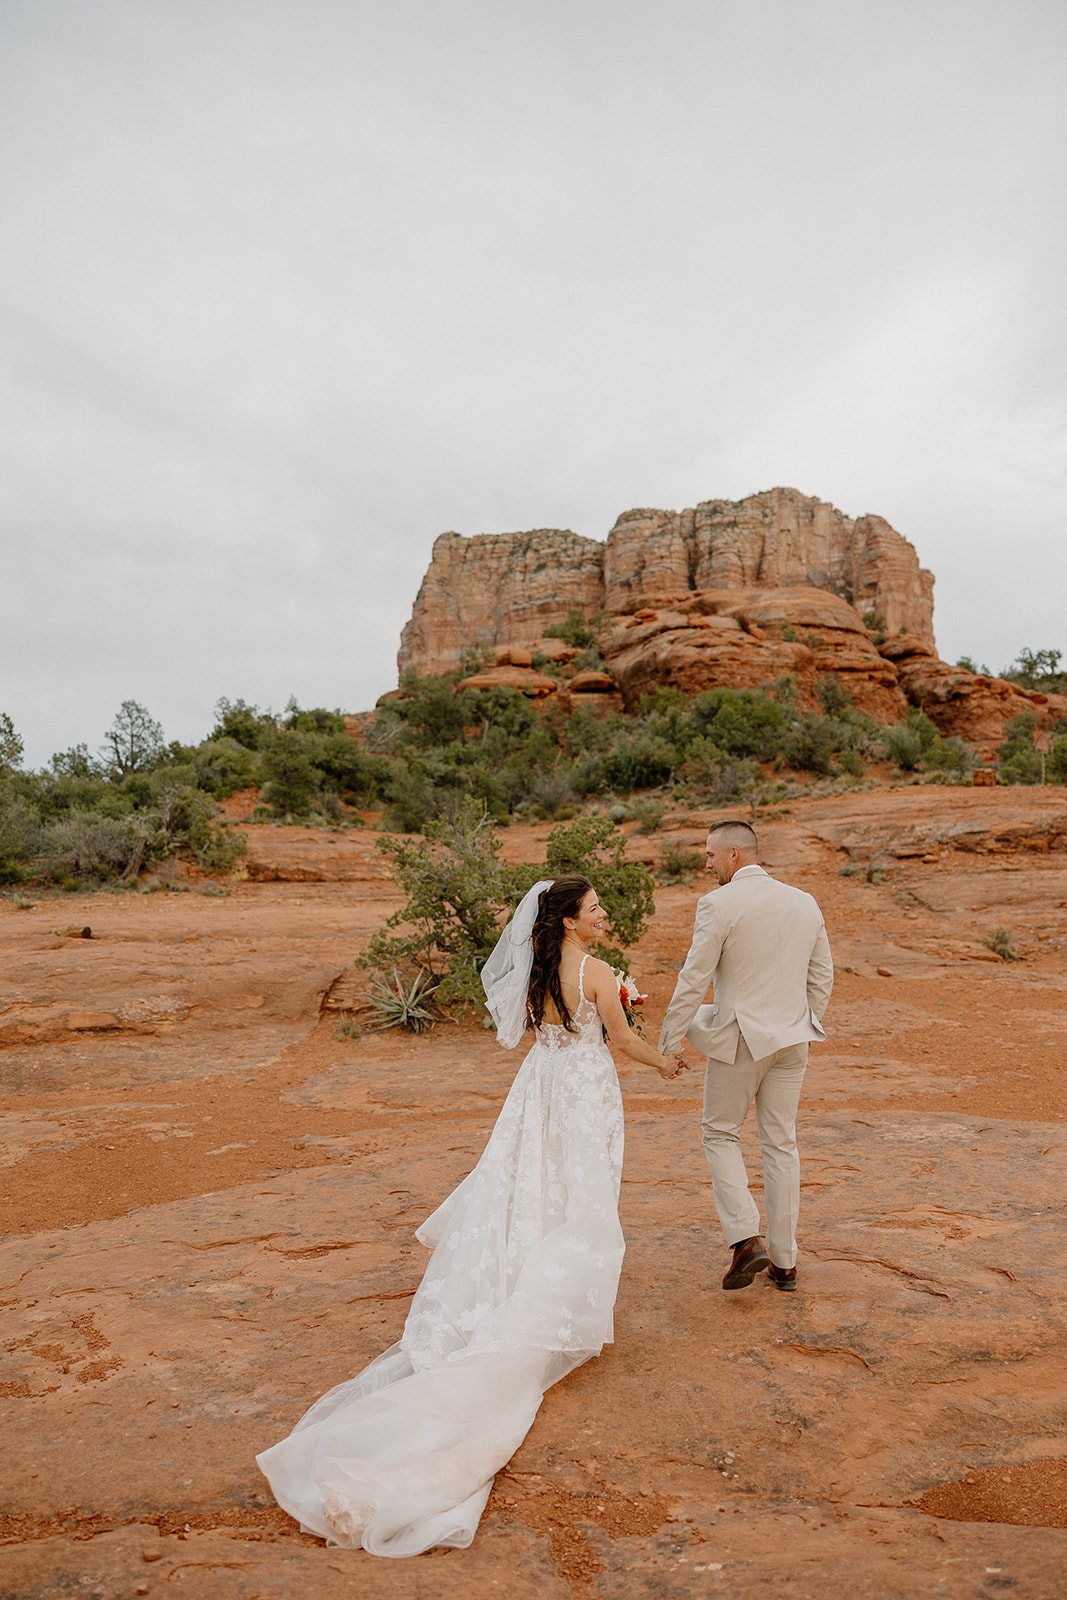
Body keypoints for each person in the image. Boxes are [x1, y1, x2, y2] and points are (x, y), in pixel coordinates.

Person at [257, 875, 688, 1557]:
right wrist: (664, 1062)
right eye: (595, 907)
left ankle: (528, 1265)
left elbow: (524, 1032)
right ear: (570, 921)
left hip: (541, 1086)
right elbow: (623, 1042)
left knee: (531, 1181)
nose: (604, 913)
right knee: (582, 1186)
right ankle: (558, 1288)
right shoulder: (599, 972)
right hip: (582, 1090)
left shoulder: (538, 969)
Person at [658, 820, 833, 1294]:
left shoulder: (719, 904)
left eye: (710, 855)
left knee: (719, 1133)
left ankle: (744, 1239)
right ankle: (786, 1263)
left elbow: (694, 979)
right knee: (781, 1144)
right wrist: (803, 1021)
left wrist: (669, 1041)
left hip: (741, 1042)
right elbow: (822, 976)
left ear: (735, 854)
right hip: (793, 1041)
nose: (706, 863)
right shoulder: (804, 901)